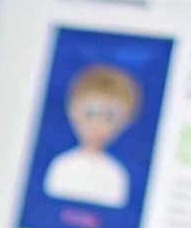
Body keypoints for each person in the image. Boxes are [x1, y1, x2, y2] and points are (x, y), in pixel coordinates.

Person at [43, 63, 139, 208]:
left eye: (109, 117)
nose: (97, 124)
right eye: (90, 114)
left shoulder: (116, 174)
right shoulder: (62, 165)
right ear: (72, 112)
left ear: (125, 122)